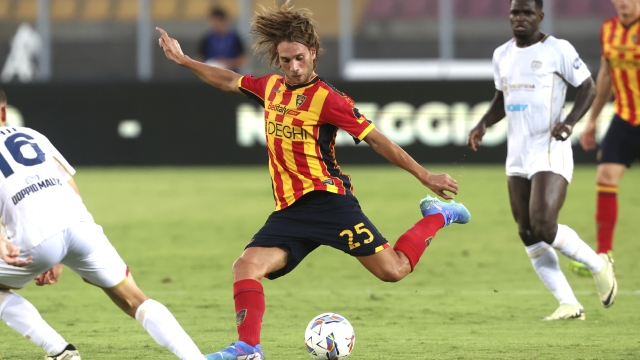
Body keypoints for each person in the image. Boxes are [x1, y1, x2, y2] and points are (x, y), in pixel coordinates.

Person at [157, 1, 470, 358]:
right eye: (286, 60)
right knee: (245, 266)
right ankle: (248, 348)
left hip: (330, 202)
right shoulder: (270, 88)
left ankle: (437, 215)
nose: (293, 66)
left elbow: (377, 140)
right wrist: (183, 60)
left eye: (299, 58)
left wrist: (425, 175)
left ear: (314, 53)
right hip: (289, 210)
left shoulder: (330, 100)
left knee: (393, 271)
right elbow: (229, 80)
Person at [0, 89, 207, 360]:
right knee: (134, 299)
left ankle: (60, 351)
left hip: (36, 239)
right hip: (80, 226)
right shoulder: (32, 135)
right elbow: (69, 188)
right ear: (4, 113)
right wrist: (60, 253)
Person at [467, 0, 617, 320]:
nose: (520, 18)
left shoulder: (558, 49)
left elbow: (588, 87)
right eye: (514, 12)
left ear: (540, 16)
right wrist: (482, 124)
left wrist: (571, 122)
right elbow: (501, 98)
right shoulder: (502, 55)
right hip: (517, 152)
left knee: (544, 224)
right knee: (526, 230)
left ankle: (597, 264)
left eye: (526, 13)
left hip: (550, 146)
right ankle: (568, 302)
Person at [569, 0, 640, 277]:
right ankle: (603, 255)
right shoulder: (608, 29)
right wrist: (593, 119)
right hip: (624, 118)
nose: (623, 2)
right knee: (605, 178)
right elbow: (607, 75)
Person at [197, 6, 247, 73]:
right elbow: (199, 59)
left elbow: (243, 59)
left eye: (213, 21)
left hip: (231, 78)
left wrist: (227, 64)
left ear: (221, 20)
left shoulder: (234, 37)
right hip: (212, 78)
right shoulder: (207, 38)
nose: (210, 25)